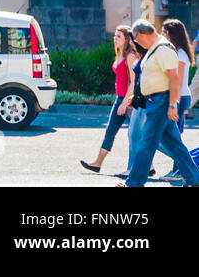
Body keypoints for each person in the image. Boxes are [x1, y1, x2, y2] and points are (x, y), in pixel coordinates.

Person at [121, 19, 199, 187]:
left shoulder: (163, 48)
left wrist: (172, 105)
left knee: (146, 142)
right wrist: (136, 96)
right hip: (155, 101)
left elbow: (173, 78)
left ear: (141, 34)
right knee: (174, 145)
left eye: (136, 38)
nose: (136, 42)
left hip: (161, 102)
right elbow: (151, 75)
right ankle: (194, 178)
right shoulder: (154, 49)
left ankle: (133, 183)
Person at [80, 25, 136, 173]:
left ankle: (141, 167)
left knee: (135, 134)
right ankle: (97, 163)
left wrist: (125, 103)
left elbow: (133, 81)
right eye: (115, 36)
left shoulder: (130, 56)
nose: (115, 38)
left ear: (127, 39)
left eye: (119, 36)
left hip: (128, 101)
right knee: (110, 131)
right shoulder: (119, 54)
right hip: (120, 99)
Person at [162, 19, 194, 180]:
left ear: (172, 35)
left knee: (174, 137)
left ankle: (180, 170)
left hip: (180, 98)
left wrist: (172, 103)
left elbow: (179, 81)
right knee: (174, 136)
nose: (162, 35)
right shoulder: (176, 52)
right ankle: (179, 169)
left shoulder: (180, 54)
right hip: (179, 97)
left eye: (165, 32)